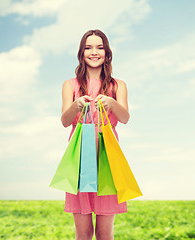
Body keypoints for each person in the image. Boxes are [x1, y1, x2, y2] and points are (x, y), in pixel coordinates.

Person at [60, 29, 130, 240]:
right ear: (81, 53)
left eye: (99, 47)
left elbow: (125, 117)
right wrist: (76, 105)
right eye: (88, 47)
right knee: (83, 232)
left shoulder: (118, 85)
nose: (94, 52)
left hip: (107, 159)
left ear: (107, 53)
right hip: (80, 160)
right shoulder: (69, 85)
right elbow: (64, 121)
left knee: (105, 232)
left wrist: (112, 102)